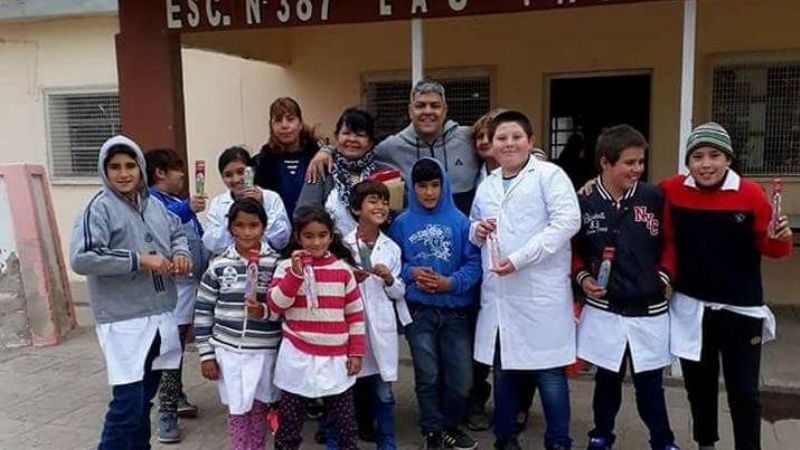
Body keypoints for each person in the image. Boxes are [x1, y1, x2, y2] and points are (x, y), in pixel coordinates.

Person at [663, 122, 794, 450]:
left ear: (729, 159)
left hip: (741, 309)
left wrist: (781, 238)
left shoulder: (751, 194)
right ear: (688, 162)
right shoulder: (671, 190)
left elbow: (774, 249)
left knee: (744, 392)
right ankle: (705, 444)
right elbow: (639, 204)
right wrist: (593, 185)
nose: (706, 164)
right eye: (697, 157)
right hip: (692, 309)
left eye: (715, 155)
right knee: (699, 387)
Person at [70, 135, 192, 449]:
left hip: (160, 314)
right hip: (122, 319)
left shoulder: (154, 205)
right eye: (114, 167)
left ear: (140, 168)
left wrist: (181, 254)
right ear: (104, 170)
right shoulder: (99, 208)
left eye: (130, 166)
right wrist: (139, 260)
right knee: (127, 403)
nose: (123, 174)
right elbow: (82, 258)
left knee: (144, 400)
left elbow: (177, 232)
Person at [470, 111, 580, 450]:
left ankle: (558, 441)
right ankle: (505, 439)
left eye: (516, 137)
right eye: (501, 138)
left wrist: (520, 259)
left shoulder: (549, 175)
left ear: (530, 141)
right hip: (501, 297)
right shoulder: (488, 184)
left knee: (549, 375)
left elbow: (567, 222)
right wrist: (478, 230)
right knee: (504, 373)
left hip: (540, 297)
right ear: (491, 145)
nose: (509, 144)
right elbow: (472, 226)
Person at [572, 125, 680, 450]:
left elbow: (672, 243)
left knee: (650, 386)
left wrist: (663, 276)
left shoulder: (655, 197)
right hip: (606, 310)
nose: (637, 169)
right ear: (605, 162)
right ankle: (601, 435)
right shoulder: (584, 201)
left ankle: (663, 441)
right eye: (629, 163)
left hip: (649, 310)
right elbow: (572, 250)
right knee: (606, 381)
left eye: (641, 162)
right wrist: (583, 278)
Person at [389, 157, 482, 450]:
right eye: (421, 186)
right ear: (412, 188)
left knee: (462, 380)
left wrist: (450, 283)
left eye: (434, 185)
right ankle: (432, 431)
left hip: (455, 313)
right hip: (419, 313)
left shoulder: (461, 222)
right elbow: (392, 263)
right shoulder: (401, 223)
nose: (428, 192)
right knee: (427, 375)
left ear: (444, 185)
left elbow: (474, 264)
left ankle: (448, 426)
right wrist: (412, 273)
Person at [268, 208, 366, 450]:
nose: (316, 242)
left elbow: (355, 314)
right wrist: (295, 275)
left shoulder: (343, 270)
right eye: (309, 236)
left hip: (336, 358)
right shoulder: (285, 268)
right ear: (298, 237)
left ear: (331, 236)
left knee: (345, 424)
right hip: (297, 354)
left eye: (322, 235)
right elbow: (276, 305)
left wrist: (356, 352)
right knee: (290, 422)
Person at [308, 79, 480, 215]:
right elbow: (358, 150)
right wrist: (327, 150)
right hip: (412, 236)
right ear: (410, 111)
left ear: (445, 110)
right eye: (420, 106)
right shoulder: (391, 147)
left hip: (465, 234)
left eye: (434, 105)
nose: (428, 111)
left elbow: (493, 137)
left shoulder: (468, 137)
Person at [194, 198, 283, 450]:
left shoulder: (276, 264)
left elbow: (284, 308)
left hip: (264, 351)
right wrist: (206, 355)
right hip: (229, 351)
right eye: (240, 225)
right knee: (237, 410)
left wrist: (264, 312)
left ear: (264, 227)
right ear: (230, 227)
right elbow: (203, 311)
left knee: (259, 409)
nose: (247, 232)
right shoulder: (219, 266)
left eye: (253, 225)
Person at [342, 180, 412, 450]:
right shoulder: (342, 246)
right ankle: (344, 439)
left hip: (381, 326)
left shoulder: (391, 247)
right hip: (352, 327)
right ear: (356, 209)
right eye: (373, 201)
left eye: (384, 201)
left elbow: (399, 292)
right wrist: (351, 279)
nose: (380, 206)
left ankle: (387, 442)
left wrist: (389, 279)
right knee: (347, 389)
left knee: (384, 392)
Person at [145, 148, 208, 443]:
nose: (182, 175)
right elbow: (160, 225)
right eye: (176, 169)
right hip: (170, 288)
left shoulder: (173, 201)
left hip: (188, 285)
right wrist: (187, 208)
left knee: (177, 344)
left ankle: (176, 394)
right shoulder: (152, 202)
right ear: (160, 172)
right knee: (170, 346)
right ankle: (166, 412)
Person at [296, 108, 391, 236]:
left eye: (360, 135)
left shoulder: (385, 173)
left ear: (370, 142)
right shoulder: (322, 168)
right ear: (336, 137)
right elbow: (303, 214)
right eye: (346, 133)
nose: (352, 139)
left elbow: (394, 216)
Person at [203, 146, 291, 254]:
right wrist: (233, 219)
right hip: (230, 261)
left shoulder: (271, 198)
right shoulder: (218, 203)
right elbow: (212, 244)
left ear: (252, 171)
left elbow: (281, 241)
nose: (236, 179)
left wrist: (262, 206)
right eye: (228, 175)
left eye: (241, 172)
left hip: (266, 259)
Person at [253, 97, 321, 217]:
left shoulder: (319, 158)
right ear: (271, 126)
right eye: (278, 120)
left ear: (300, 124)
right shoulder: (260, 163)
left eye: (290, 119)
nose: (284, 125)